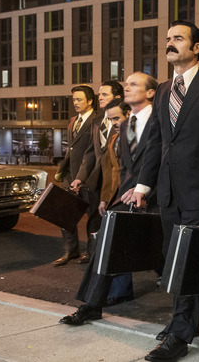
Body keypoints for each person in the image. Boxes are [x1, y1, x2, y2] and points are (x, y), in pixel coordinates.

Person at [131, 21, 199, 362]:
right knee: (173, 258)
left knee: (187, 260)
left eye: (178, 38)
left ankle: (180, 334)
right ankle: (186, 321)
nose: (170, 43)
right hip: (167, 193)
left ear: (197, 47)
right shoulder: (162, 90)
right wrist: (143, 186)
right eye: (168, 39)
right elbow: (156, 142)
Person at [60, 74, 158, 326]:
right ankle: (91, 305)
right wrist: (113, 198)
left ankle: (190, 299)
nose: (127, 87)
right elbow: (124, 170)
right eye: (126, 84)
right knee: (104, 245)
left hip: (159, 197)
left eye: (133, 84)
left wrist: (144, 189)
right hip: (126, 197)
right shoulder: (125, 127)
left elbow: (164, 159)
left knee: (166, 252)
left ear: (150, 93)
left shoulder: (161, 120)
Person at [72, 80, 124, 264]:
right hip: (96, 180)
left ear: (117, 97)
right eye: (99, 94)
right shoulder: (96, 121)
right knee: (94, 217)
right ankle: (93, 253)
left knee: (113, 220)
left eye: (104, 94)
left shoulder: (124, 119)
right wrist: (80, 177)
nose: (99, 97)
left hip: (116, 180)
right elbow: (90, 153)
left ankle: (110, 256)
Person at [53, 85, 97, 266]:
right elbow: (71, 150)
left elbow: (92, 152)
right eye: (74, 100)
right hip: (70, 176)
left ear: (90, 101)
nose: (75, 103)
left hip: (88, 177)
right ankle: (71, 251)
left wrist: (82, 176)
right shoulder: (73, 121)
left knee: (92, 217)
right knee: (65, 214)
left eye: (79, 99)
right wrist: (62, 169)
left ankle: (91, 253)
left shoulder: (97, 120)